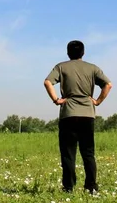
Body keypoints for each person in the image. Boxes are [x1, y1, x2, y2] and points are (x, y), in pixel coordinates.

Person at [44, 40, 113, 194]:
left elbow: (47, 82)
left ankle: (68, 188)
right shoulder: (92, 68)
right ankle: (91, 187)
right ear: (83, 52)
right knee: (88, 153)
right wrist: (97, 101)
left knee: (68, 154)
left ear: (68, 53)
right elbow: (108, 84)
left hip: (68, 114)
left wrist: (56, 100)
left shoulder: (61, 67)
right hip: (87, 115)